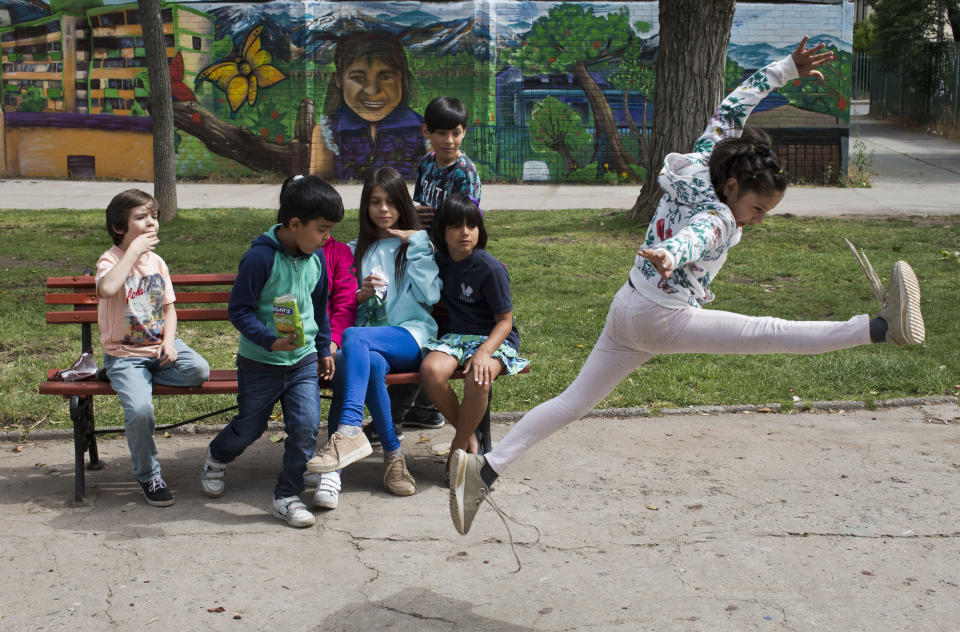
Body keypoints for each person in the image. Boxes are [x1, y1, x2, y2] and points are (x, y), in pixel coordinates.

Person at [448, 37, 926, 536]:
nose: (758, 221)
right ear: (736, 188)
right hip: (662, 318)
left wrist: (787, 68)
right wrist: (673, 251)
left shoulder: (700, 162)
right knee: (770, 331)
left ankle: (485, 468)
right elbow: (701, 234)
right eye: (758, 210)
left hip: (627, 307)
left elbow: (734, 103)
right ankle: (878, 327)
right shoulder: (721, 216)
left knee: (572, 403)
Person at [201, 175, 340, 528]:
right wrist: (269, 340)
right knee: (250, 426)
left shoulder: (317, 259)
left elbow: (319, 307)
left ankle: (286, 495)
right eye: (322, 229)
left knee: (306, 426)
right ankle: (217, 455)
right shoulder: (259, 258)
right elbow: (239, 310)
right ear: (294, 225)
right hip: (260, 362)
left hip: (303, 360)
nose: (328, 238)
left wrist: (322, 347)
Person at [306, 166, 441, 507]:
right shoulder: (354, 250)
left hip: (412, 336)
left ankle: (347, 433)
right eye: (376, 202)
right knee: (368, 362)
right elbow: (341, 305)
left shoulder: (415, 246)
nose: (383, 210)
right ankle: (388, 461)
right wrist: (360, 295)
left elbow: (432, 295)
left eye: (391, 202)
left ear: (402, 205)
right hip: (367, 341)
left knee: (356, 342)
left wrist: (419, 243)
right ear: (366, 206)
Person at [96, 189, 210, 507]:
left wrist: (170, 343)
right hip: (125, 354)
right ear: (120, 228)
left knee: (200, 370)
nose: (151, 223)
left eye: (154, 216)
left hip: (158, 349)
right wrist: (132, 253)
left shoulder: (157, 262)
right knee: (141, 411)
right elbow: (106, 288)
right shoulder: (111, 260)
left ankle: (131, 381)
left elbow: (170, 309)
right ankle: (149, 476)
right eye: (141, 217)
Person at [394, 96, 484, 433]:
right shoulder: (428, 162)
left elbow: (467, 223)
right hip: (424, 256)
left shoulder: (466, 174)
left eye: (456, 133)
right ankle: (425, 407)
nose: (449, 141)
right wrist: (414, 214)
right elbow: (418, 202)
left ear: (464, 133)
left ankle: (427, 405)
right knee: (423, 323)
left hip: (451, 261)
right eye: (442, 133)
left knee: (440, 325)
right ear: (427, 132)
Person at [419, 194, 528, 468]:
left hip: (493, 338)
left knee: (478, 377)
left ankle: (458, 449)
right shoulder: (440, 263)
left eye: (472, 225)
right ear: (443, 231)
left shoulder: (490, 269)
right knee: (430, 371)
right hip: (456, 337)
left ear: (480, 229)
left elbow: (505, 321)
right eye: (456, 226)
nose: (465, 232)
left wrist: (483, 353)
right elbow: (416, 241)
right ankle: (471, 440)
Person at [315, 33, 427, 182]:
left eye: (386, 77)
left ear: (403, 78)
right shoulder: (327, 131)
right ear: (338, 79)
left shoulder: (425, 131)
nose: (372, 90)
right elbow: (319, 187)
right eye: (358, 78)